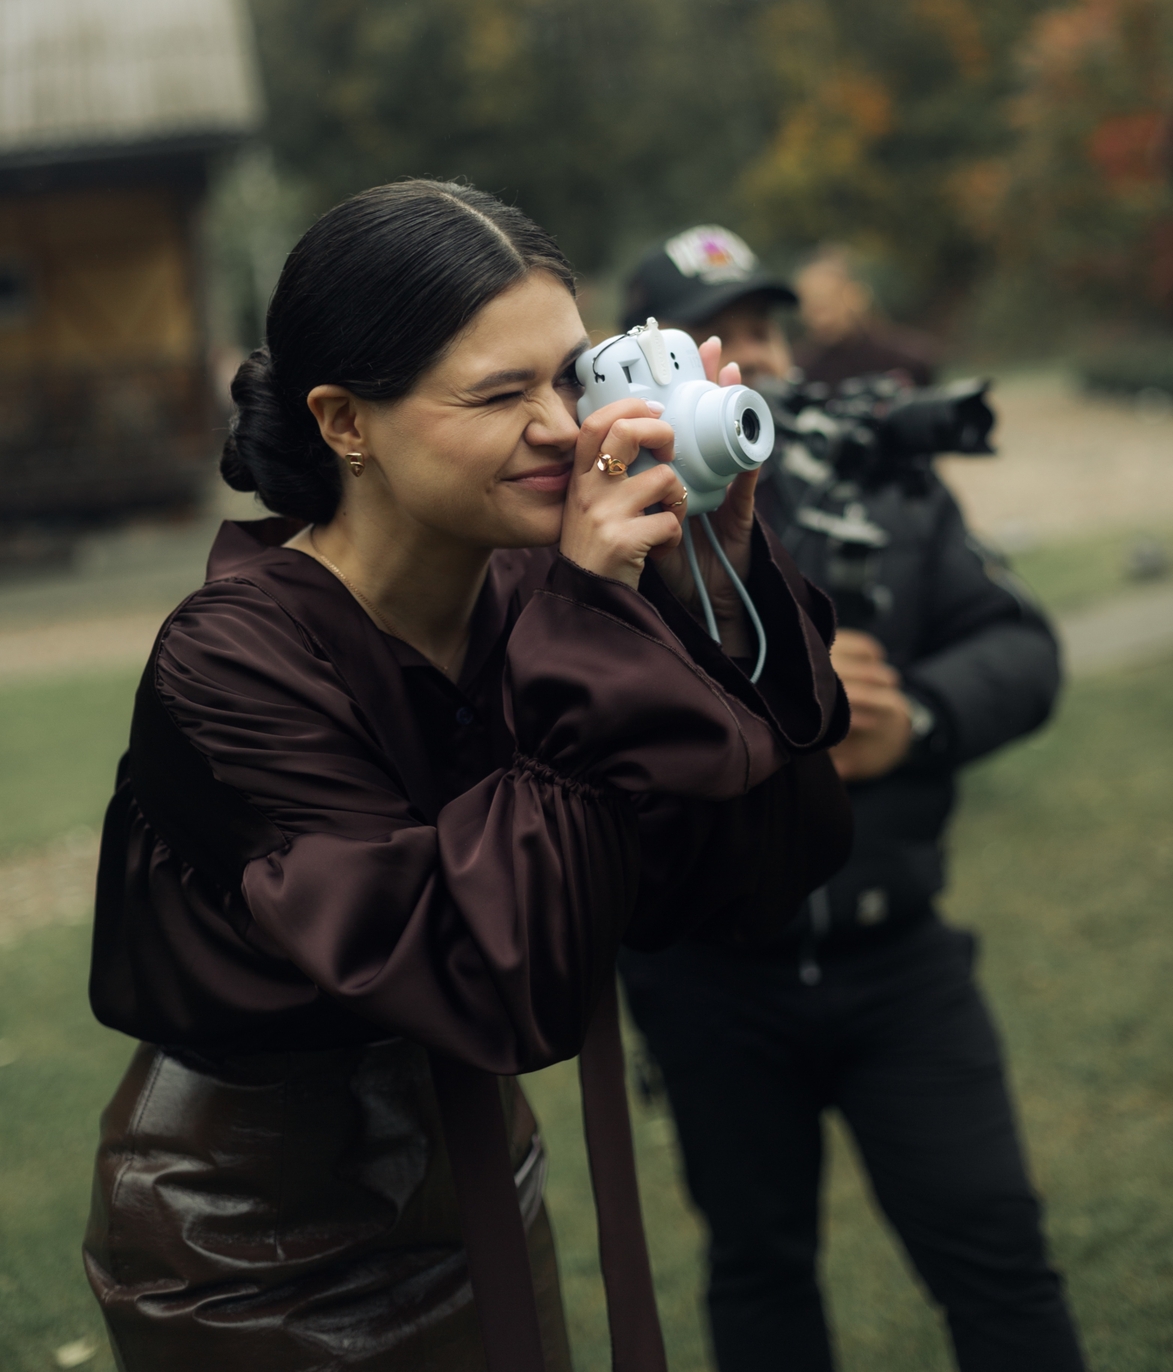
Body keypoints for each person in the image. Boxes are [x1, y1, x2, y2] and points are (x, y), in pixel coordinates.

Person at [84, 183, 852, 1372]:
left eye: (572, 376)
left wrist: (713, 573)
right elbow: (492, 980)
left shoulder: (530, 605)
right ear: (346, 421)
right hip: (251, 1230)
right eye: (502, 394)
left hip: (482, 1171)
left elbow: (741, 875)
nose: (565, 427)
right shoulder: (229, 659)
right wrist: (593, 632)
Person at [618, 225, 1087, 1372]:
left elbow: (1019, 647)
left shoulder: (884, 476)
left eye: (774, 329)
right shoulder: (614, 533)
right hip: (711, 978)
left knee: (997, 1251)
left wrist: (909, 720)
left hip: (901, 959)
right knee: (761, 1268)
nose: (760, 359)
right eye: (720, 339)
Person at [793, 244, 937, 388]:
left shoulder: (909, 359)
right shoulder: (800, 370)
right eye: (809, 305)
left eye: (827, 302)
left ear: (856, 296)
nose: (820, 318)